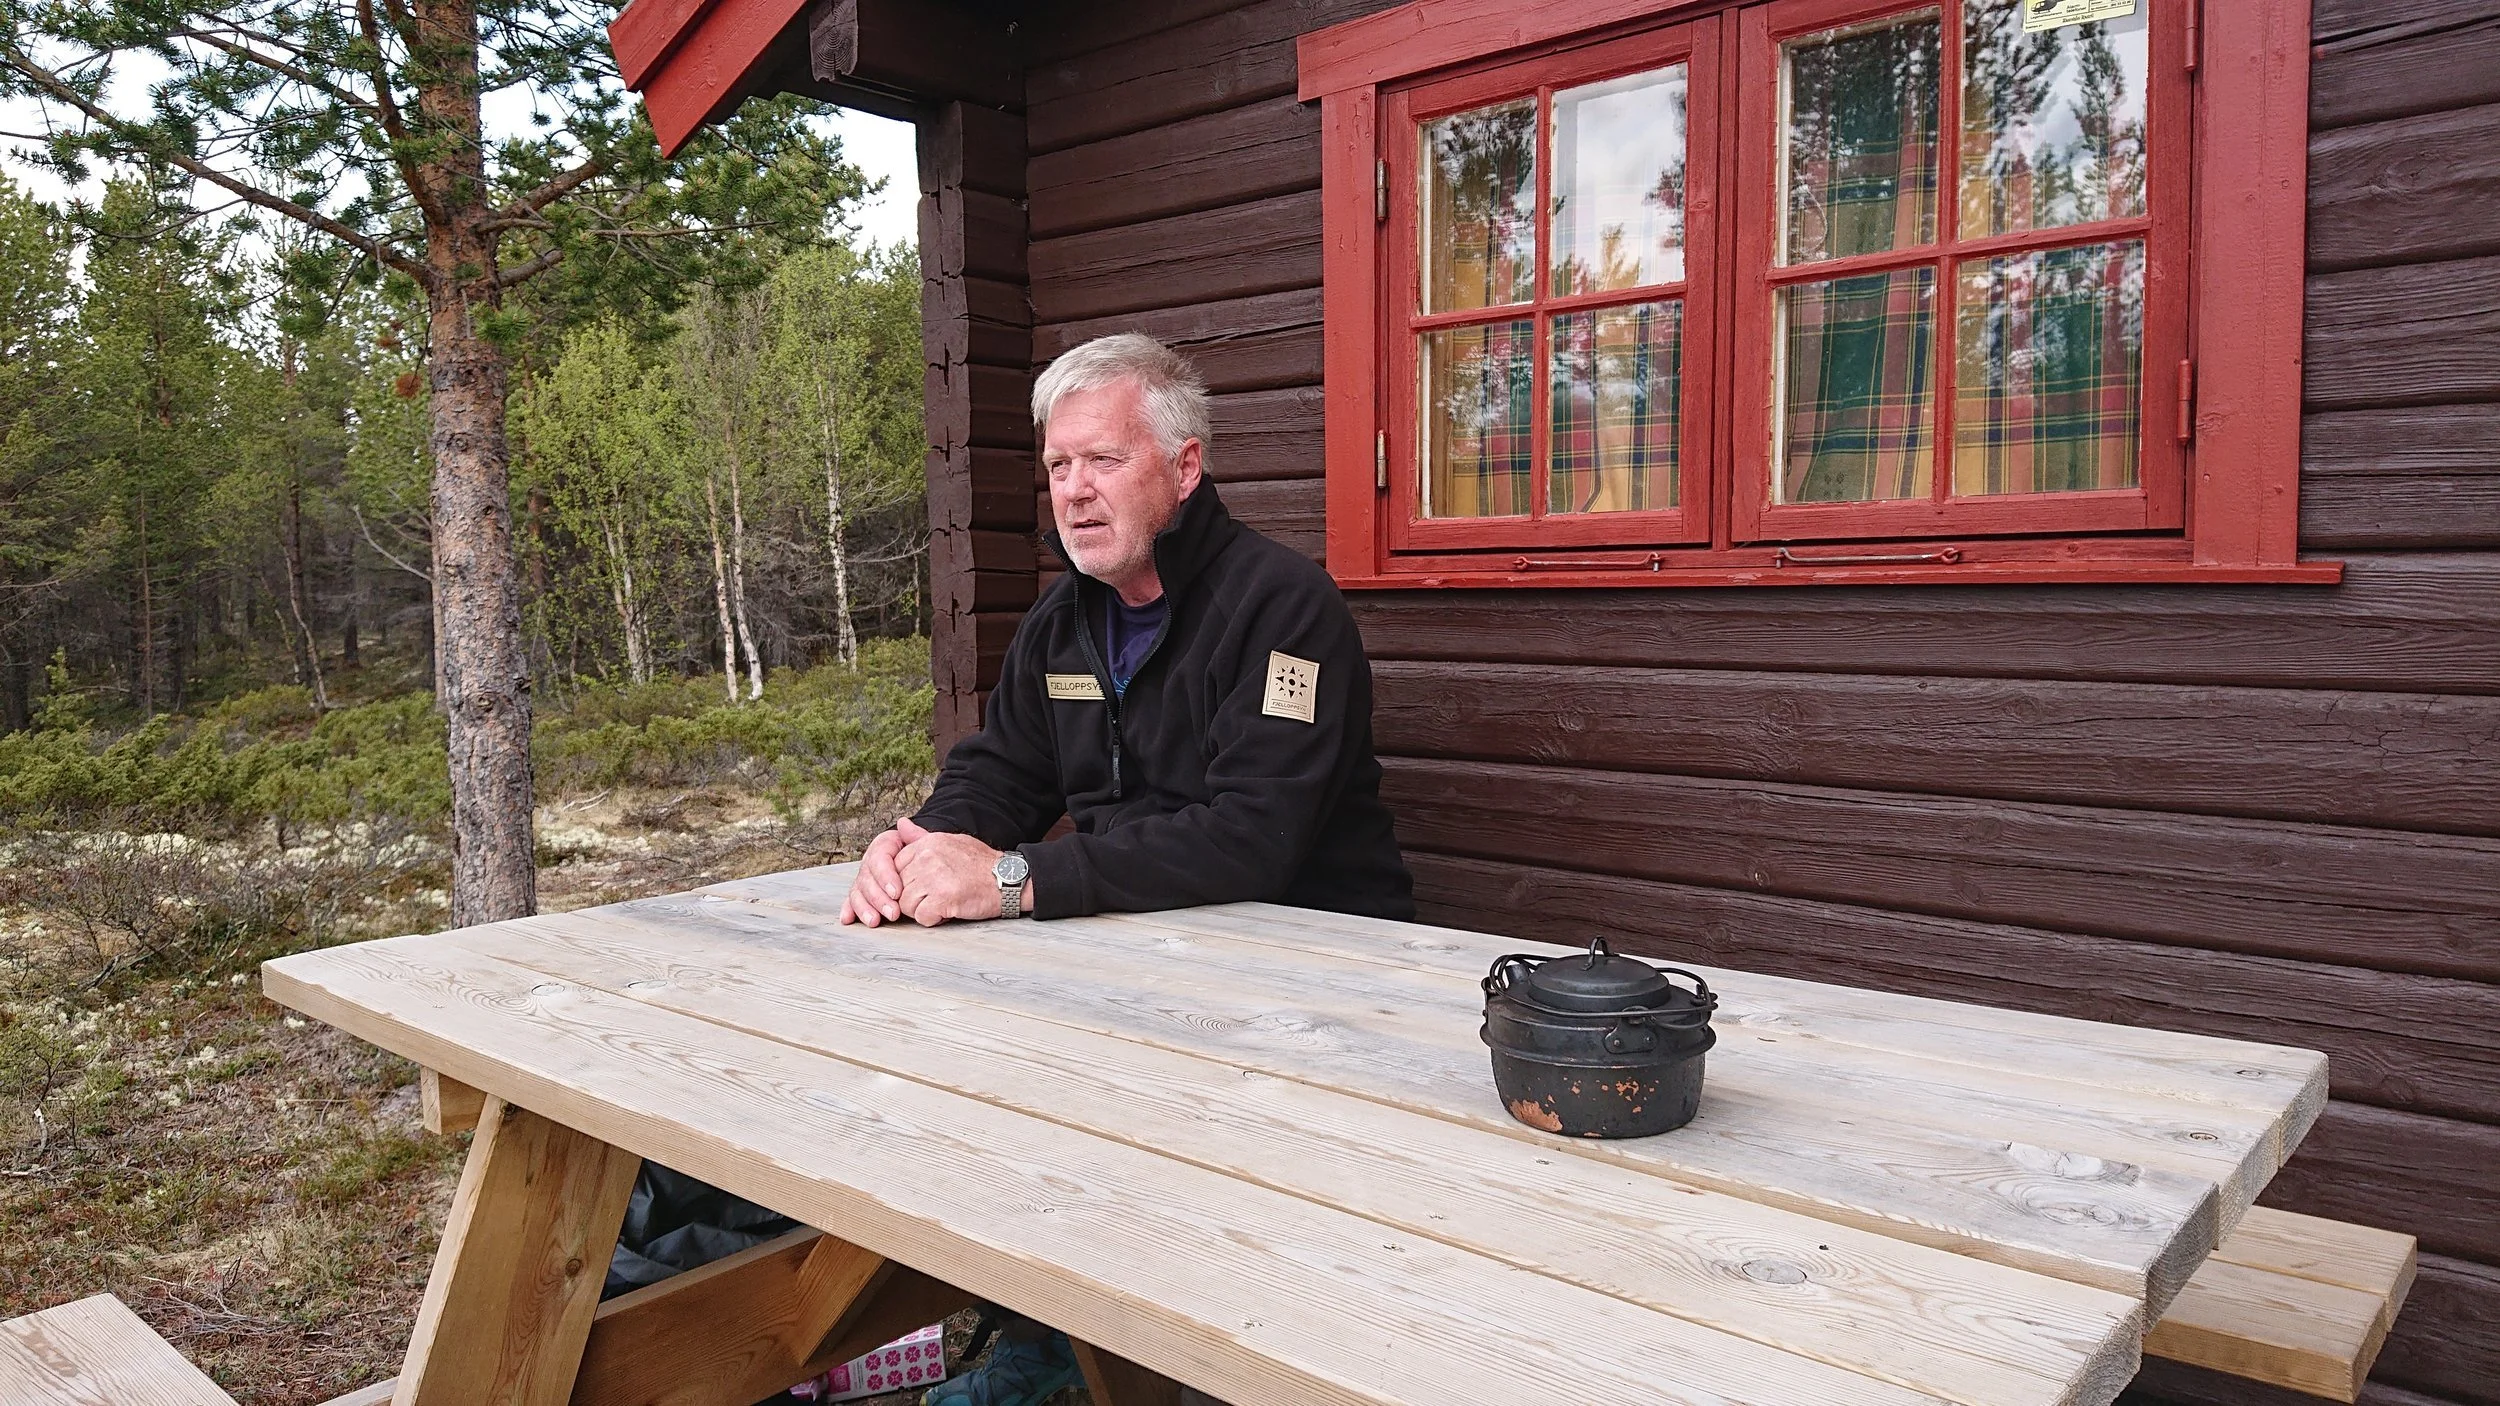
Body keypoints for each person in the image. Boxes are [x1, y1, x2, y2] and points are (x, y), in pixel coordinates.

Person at [839, 332, 1412, 1405]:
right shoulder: (1064, 622)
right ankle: (1051, 1336)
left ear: (1183, 468)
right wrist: (916, 843)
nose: (1074, 492)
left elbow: (1253, 837)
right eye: (1058, 467)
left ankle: (1112, 1358)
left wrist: (1010, 881)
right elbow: (999, 771)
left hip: (1315, 987)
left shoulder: (1283, 609)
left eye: (1101, 460)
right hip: (1142, 967)